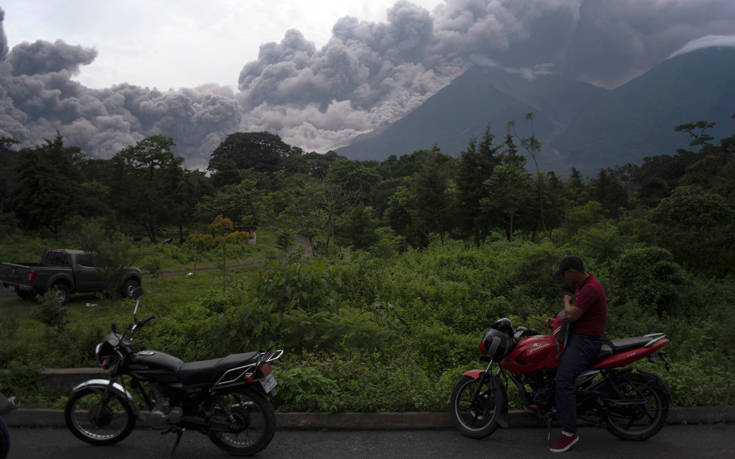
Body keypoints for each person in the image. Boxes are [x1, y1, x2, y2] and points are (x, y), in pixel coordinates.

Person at [545, 255, 607, 453]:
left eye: (564, 275)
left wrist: (565, 301)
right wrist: (555, 321)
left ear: (572, 272)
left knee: (563, 380)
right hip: (579, 338)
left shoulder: (590, 288)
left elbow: (572, 315)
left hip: (586, 342)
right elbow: (573, 316)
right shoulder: (584, 286)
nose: (564, 279)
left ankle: (570, 433)